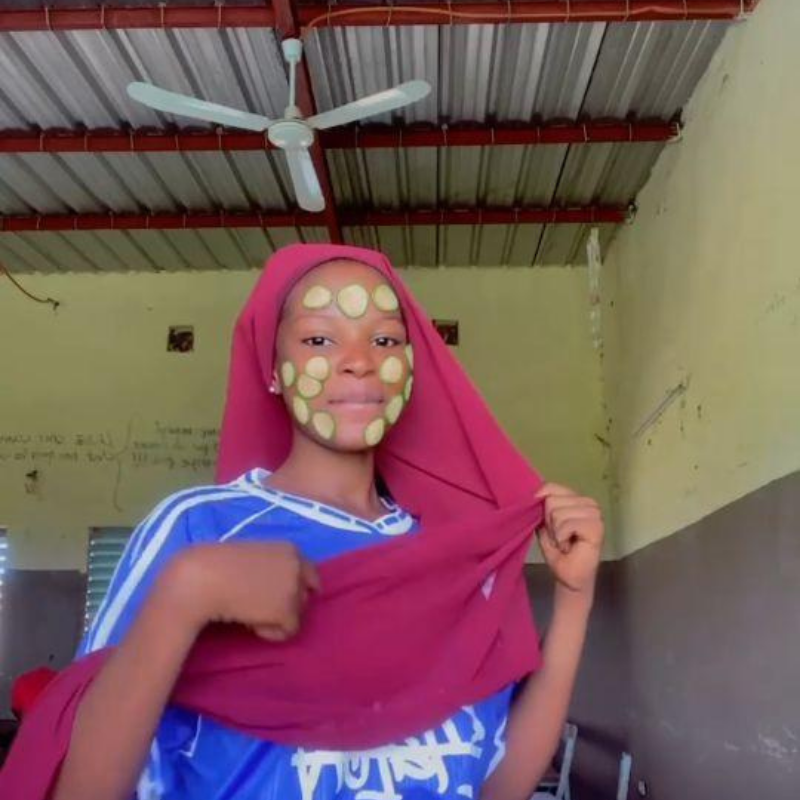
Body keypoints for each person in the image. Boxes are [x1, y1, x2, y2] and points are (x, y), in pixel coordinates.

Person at [6, 244, 603, 800]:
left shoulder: (453, 557)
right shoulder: (198, 528)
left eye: (386, 340)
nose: (359, 362)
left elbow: (497, 786)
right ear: (272, 368)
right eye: (319, 338)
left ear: (411, 367)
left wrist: (575, 597)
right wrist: (186, 594)